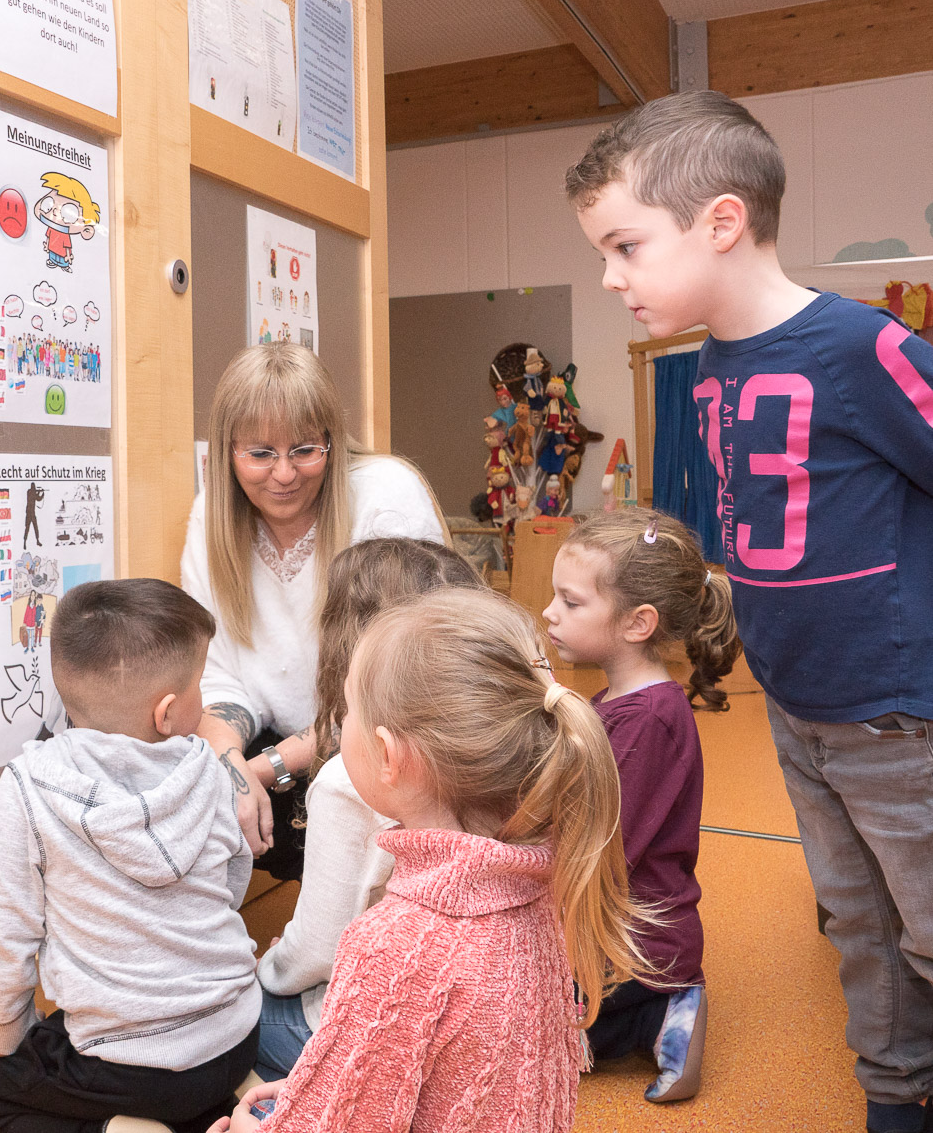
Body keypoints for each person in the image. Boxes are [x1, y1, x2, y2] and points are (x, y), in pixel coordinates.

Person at [566, 90, 933, 1133]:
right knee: (861, 925)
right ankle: (894, 1093)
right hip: (799, 708)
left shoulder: (861, 348)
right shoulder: (712, 365)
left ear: (719, 222)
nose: (610, 275)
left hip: (898, 713)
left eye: (626, 245)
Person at [211, 588, 650, 1133]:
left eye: (347, 710)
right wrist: (315, 1087)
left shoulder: (395, 945)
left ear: (390, 757)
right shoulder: (539, 887)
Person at [0, 579, 261, 1133]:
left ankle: (120, 1128)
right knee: (164, 1072)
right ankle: (228, 1102)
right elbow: (232, 881)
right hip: (238, 1034)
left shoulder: (31, 786)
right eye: (202, 687)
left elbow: (2, 930)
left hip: (130, 1065)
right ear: (168, 712)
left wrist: (8, 1038)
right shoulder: (207, 768)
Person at [181, 343, 445, 876]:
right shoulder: (212, 515)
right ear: (225, 454)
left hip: (385, 740)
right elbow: (216, 675)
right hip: (277, 743)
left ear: (331, 443)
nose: (283, 475)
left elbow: (400, 687)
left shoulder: (385, 496)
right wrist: (231, 764)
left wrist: (265, 768)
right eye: (259, 454)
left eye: (304, 450)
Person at [255, 538, 483, 1080]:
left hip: (364, 1042)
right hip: (456, 1028)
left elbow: (319, 950)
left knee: (224, 1012)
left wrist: (267, 968)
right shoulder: (489, 748)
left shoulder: (347, 781)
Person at [545, 508, 741, 1103]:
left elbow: (601, 842)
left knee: (529, 1037)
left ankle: (661, 1009)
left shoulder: (648, 718)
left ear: (637, 623)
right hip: (609, 926)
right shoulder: (619, 698)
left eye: (571, 602)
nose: (550, 613)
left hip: (632, 939)